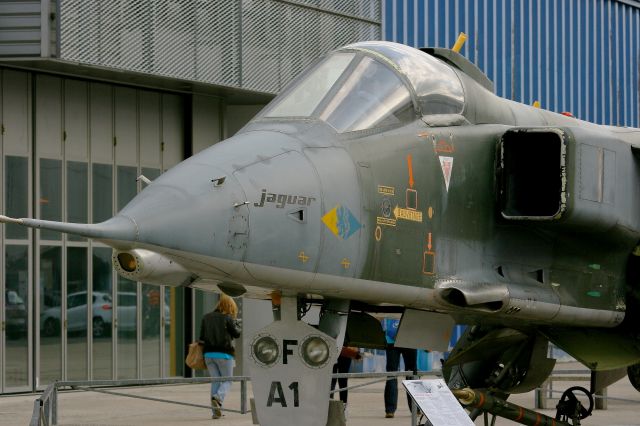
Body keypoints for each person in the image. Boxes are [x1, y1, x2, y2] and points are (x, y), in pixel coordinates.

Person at [199, 294, 242, 419]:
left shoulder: (206, 317)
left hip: (208, 355)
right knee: (228, 380)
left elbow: (201, 338)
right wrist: (237, 324)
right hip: (224, 354)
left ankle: (215, 412)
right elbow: (237, 334)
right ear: (230, 306)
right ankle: (218, 398)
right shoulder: (227, 318)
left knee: (216, 381)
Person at [383, 320, 417, 419]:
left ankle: (390, 410)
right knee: (411, 374)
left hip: (392, 338)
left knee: (392, 374)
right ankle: (416, 408)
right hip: (409, 338)